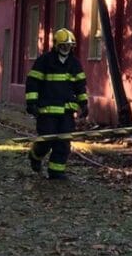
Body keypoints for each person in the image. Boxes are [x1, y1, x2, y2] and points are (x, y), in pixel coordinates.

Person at [25, 28, 89, 180]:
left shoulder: (74, 64)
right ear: (56, 45)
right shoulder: (44, 61)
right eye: (63, 45)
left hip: (67, 111)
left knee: (63, 143)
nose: (66, 49)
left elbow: (80, 85)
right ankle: (35, 156)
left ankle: (56, 172)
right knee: (46, 140)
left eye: (69, 46)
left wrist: (84, 104)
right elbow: (33, 83)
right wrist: (31, 103)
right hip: (47, 110)